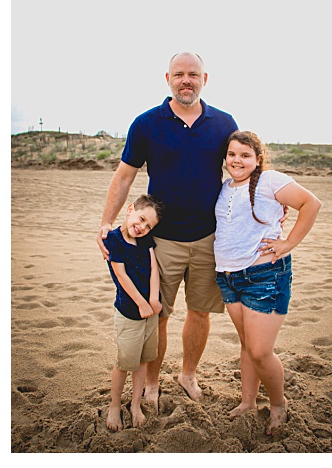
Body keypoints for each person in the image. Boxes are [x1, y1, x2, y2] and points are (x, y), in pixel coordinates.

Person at [98, 52, 238, 407]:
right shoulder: (146, 123)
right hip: (159, 241)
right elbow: (125, 175)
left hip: (210, 237)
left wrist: (274, 200)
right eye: (179, 74)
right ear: (168, 78)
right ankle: (153, 381)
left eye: (193, 74)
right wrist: (105, 222)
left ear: (205, 78)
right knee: (158, 313)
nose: (186, 80)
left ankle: (188, 374)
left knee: (201, 311)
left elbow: (243, 169)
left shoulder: (224, 123)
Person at [215, 130, 322, 437]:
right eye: (233, 154)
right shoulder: (224, 188)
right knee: (247, 345)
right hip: (228, 277)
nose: (238, 160)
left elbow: (311, 203)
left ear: (258, 159)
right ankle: (247, 402)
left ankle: (278, 403)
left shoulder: (269, 180)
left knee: (261, 351)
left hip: (264, 276)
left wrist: (288, 242)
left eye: (246, 155)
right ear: (225, 158)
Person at [103, 194, 163, 431]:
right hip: (130, 312)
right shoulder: (114, 240)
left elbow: (153, 268)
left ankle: (135, 404)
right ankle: (115, 405)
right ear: (130, 210)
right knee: (125, 362)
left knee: (143, 362)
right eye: (140, 219)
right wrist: (140, 303)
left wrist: (154, 298)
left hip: (150, 311)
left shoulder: (145, 240)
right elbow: (121, 275)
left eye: (148, 225)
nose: (142, 227)